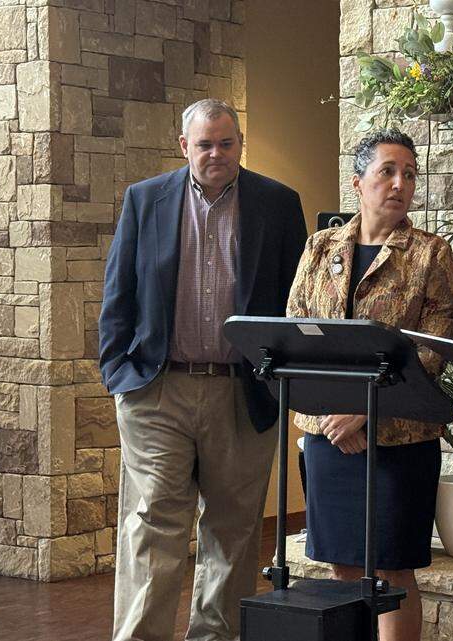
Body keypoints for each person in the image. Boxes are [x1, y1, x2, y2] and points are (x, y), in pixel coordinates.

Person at [99, 98, 307, 641]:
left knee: (233, 530)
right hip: (157, 388)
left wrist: (283, 381)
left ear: (240, 144)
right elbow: (119, 291)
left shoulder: (278, 203)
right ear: (184, 146)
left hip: (243, 392)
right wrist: (118, 373)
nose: (217, 153)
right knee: (152, 524)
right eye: (205, 144)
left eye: (226, 143)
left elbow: (295, 300)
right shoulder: (145, 199)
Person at [286, 129, 453, 641]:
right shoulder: (320, 247)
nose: (400, 183)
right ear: (357, 182)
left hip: (399, 440)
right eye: (387, 171)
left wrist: (363, 410)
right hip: (328, 437)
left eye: (409, 174)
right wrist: (334, 418)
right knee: (342, 565)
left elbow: (431, 352)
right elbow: (295, 331)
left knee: (391, 570)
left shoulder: (431, 254)